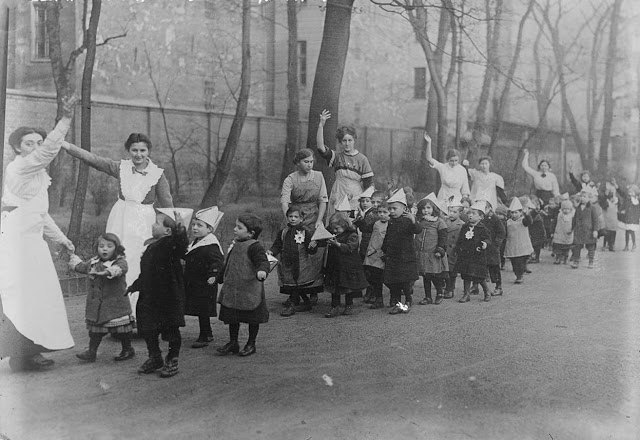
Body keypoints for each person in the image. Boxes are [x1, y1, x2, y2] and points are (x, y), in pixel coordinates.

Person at [60, 133, 174, 316]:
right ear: (128, 151)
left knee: (139, 261)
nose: (138, 154)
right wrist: (67, 146)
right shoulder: (121, 167)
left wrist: (168, 227)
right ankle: (117, 313)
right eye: (134, 150)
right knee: (117, 258)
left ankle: (141, 313)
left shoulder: (157, 174)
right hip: (120, 218)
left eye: (142, 150)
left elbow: (167, 203)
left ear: (148, 151)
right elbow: (94, 159)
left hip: (143, 222)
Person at [0, 97, 76, 372]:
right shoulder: (19, 168)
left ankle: (29, 353)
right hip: (16, 245)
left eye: (38, 142)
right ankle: (21, 355)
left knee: (40, 298)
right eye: (28, 144)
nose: (35, 148)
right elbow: (46, 154)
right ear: (16, 149)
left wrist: (61, 238)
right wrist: (65, 120)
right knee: (22, 298)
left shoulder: (37, 176)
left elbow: (40, 215)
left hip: (33, 244)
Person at [128, 208, 190, 378]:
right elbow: (146, 272)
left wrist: (180, 229)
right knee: (147, 328)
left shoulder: (170, 245)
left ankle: (172, 359)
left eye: (156, 223)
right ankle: (155, 356)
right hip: (149, 297)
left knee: (170, 329)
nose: (152, 225)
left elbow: (181, 244)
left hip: (168, 297)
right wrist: (135, 285)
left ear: (168, 231)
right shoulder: (151, 247)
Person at [69, 233, 135, 362]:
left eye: (109, 246)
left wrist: (104, 272)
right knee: (95, 331)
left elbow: (117, 270)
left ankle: (127, 349)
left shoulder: (120, 262)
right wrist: (71, 256)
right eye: (101, 246)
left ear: (116, 248)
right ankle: (91, 352)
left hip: (115, 304)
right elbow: (81, 267)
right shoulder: (93, 262)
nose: (104, 249)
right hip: (97, 305)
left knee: (122, 330)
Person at [216, 213, 270, 357]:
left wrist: (262, 271)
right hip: (234, 289)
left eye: (239, 227)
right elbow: (228, 263)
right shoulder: (236, 244)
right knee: (233, 316)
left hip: (250, 290)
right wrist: (219, 277)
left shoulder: (255, 247)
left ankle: (251, 343)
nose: (235, 229)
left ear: (251, 233)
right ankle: (233, 342)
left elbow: (263, 261)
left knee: (253, 318)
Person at [280, 148, 328, 306]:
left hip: (314, 217)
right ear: (298, 163)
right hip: (296, 216)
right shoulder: (290, 179)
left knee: (315, 253)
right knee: (295, 251)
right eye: (305, 162)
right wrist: (290, 218)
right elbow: (284, 200)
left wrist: (319, 220)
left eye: (311, 161)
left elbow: (323, 200)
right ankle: (294, 290)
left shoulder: (319, 176)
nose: (309, 165)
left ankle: (313, 290)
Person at [317, 110, 374, 219]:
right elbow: (321, 148)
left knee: (352, 224)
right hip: (338, 193)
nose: (347, 143)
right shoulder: (337, 157)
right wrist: (321, 125)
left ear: (354, 140)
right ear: (340, 142)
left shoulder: (362, 159)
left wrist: (368, 204)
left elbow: (369, 184)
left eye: (350, 140)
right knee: (336, 223)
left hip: (355, 196)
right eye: (344, 140)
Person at [269, 206, 322, 317]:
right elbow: (277, 245)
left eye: (296, 217)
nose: (293, 219)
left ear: (301, 219)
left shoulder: (305, 232)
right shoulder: (283, 232)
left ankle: (292, 305)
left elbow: (310, 250)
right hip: (287, 263)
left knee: (297, 283)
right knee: (293, 283)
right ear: (287, 218)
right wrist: (271, 252)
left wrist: (312, 246)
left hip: (301, 263)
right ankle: (306, 302)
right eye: (290, 216)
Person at [183, 207, 224, 348]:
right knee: (200, 309)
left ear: (209, 229)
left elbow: (217, 262)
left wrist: (214, 274)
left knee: (203, 309)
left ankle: (205, 335)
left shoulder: (211, 245)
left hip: (205, 282)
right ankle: (207, 333)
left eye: (199, 225)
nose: (194, 228)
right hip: (195, 282)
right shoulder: (196, 242)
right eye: (193, 224)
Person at [382, 189, 422, 314]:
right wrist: (384, 249)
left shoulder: (407, 220)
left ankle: (408, 301)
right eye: (390, 209)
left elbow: (417, 230)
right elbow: (388, 236)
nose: (392, 211)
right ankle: (398, 303)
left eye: (395, 208)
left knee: (405, 281)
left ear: (404, 208)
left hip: (405, 257)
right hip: (393, 256)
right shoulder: (391, 222)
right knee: (394, 281)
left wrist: (413, 219)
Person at [324, 215, 368, 318]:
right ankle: (334, 306)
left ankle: (349, 305)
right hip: (335, 265)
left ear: (344, 226)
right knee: (335, 287)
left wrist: (337, 244)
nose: (335, 231)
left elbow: (350, 248)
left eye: (337, 228)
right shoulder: (332, 235)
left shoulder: (352, 235)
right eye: (333, 228)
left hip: (348, 266)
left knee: (348, 287)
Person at [414, 194, 449, 305]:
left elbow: (443, 238)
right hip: (422, 253)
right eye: (423, 208)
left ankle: (439, 293)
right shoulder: (420, 221)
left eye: (428, 208)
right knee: (426, 275)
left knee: (435, 275)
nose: (426, 211)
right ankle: (427, 296)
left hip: (434, 254)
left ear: (434, 208)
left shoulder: (439, 222)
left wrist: (440, 250)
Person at [454, 201, 492, 302]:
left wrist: (485, 244)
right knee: (466, 275)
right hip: (466, 255)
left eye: (473, 214)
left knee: (479, 276)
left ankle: (486, 291)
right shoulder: (465, 227)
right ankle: (466, 294)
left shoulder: (483, 229)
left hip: (477, 255)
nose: (470, 216)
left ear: (481, 217)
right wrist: (458, 248)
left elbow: (488, 239)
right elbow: (460, 239)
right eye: (469, 213)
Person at [424, 132, 470, 203]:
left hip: (456, 198)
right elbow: (429, 158)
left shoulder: (462, 170)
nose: (454, 163)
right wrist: (429, 143)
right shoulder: (443, 167)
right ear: (447, 159)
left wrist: (464, 200)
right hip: (443, 196)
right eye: (451, 161)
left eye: (456, 160)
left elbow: (465, 188)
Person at [353, 187, 379, 303]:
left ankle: (372, 292)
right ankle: (368, 291)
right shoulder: (364, 213)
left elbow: (366, 226)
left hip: (371, 243)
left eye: (367, 201)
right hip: (365, 242)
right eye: (362, 201)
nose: (364, 203)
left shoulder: (373, 213)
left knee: (371, 269)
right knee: (366, 268)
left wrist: (360, 220)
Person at [363, 201, 390, 309]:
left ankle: (392, 298)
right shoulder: (376, 223)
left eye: (385, 212)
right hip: (372, 252)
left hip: (382, 254)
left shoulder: (391, 224)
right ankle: (378, 298)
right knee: (372, 276)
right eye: (379, 212)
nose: (382, 214)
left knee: (382, 277)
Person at [504, 197, 534, 284]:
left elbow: (529, 221)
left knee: (521, 260)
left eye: (516, 212)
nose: (514, 215)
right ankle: (518, 275)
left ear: (520, 212)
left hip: (522, 245)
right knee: (514, 262)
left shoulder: (523, 221)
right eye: (512, 213)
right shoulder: (508, 222)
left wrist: (527, 214)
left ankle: (520, 274)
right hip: (512, 245)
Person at [480, 201, 506, 297]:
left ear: (489, 208)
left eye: (485, 208)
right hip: (483, 246)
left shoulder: (495, 219)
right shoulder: (481, 218)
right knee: (479, 267)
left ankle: (498, 287)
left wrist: (496, 244)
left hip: (492, 248)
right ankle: (476, 286)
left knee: (494, 267)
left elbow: (501, 232)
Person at [570, 191, 599, 269]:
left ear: (589, 198)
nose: (582, 198)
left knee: (591, 247)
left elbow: (595, 220)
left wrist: (595, 230)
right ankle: (576, 261)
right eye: (581, 197)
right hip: (579, 231)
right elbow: (575, 219)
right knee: (577, 246)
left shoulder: (592, 208)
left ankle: (591, 262)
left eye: (584, 197)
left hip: (588, 231)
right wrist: (572, 228)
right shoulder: (578, 208)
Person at [444, 197, 466, 299]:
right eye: (450, 211)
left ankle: (450, 289)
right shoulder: (444, 222)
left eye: (454, 212)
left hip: (454, 251)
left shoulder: (462, 225)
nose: (451, 214)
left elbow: (462, 240)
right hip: (445, 250)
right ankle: (446, 287)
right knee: (444, 270)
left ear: (460, 213)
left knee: (452, 272)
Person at [617, 183, 640, 251]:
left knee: (631, 231)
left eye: (632, 192)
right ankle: (626, 245)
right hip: (627, 217)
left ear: (635, 192)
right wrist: (621, 210)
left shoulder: (636, 200)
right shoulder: (627, 199)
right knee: (627, 231)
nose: (630, 193)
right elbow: (624, 205)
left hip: (633, 218)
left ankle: (634, 244)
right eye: (629, 191)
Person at [552, 200, 574, 264]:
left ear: (570, 209)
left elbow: (574, 224)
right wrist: (552, 231)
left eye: (567, 209)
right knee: (558, 247)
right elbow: (554, 223)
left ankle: (565, 258)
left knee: (566, 248)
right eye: (564, 209)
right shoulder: (559, 216)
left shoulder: (572, 217)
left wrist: (572, 230)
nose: (566, 210)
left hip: (568, 234)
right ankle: (558, 258)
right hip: (559, 233)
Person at [599, 180, 618, 251]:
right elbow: (602, 202)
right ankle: (605, 245)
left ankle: (611, 245)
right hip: (607, 218)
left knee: (613, 231)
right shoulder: (605, 200)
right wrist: (606, 195)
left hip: (613, 218)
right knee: (607, 231)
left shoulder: (616, 199)